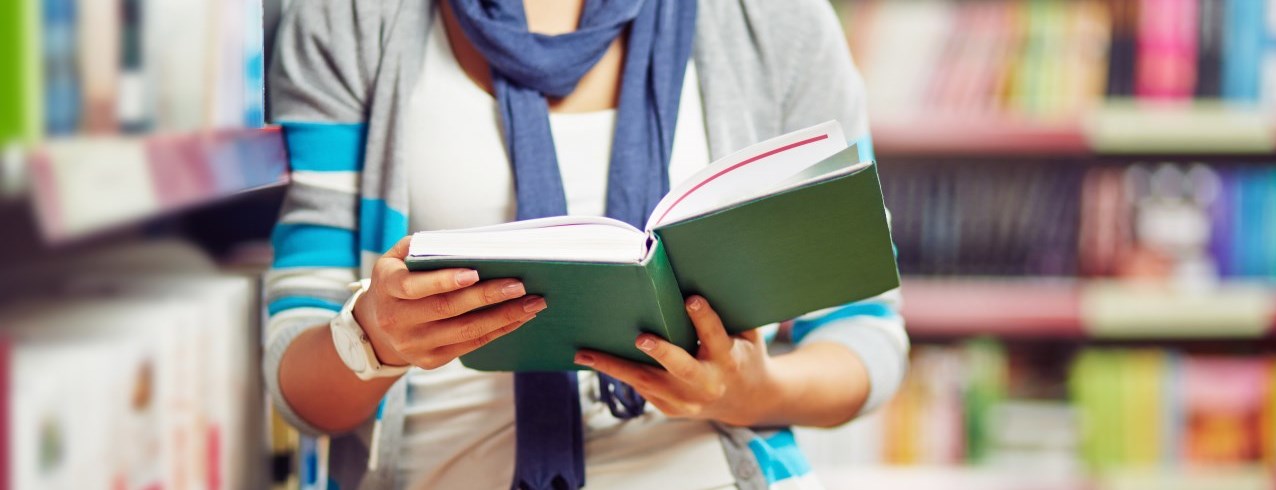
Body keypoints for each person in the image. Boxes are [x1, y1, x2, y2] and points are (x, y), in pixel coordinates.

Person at [263, 0, 909, 488]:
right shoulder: (345, 18)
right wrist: (373, 337)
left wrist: (751, 392)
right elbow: (298, 387)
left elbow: (868, 335)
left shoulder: (774, 20)